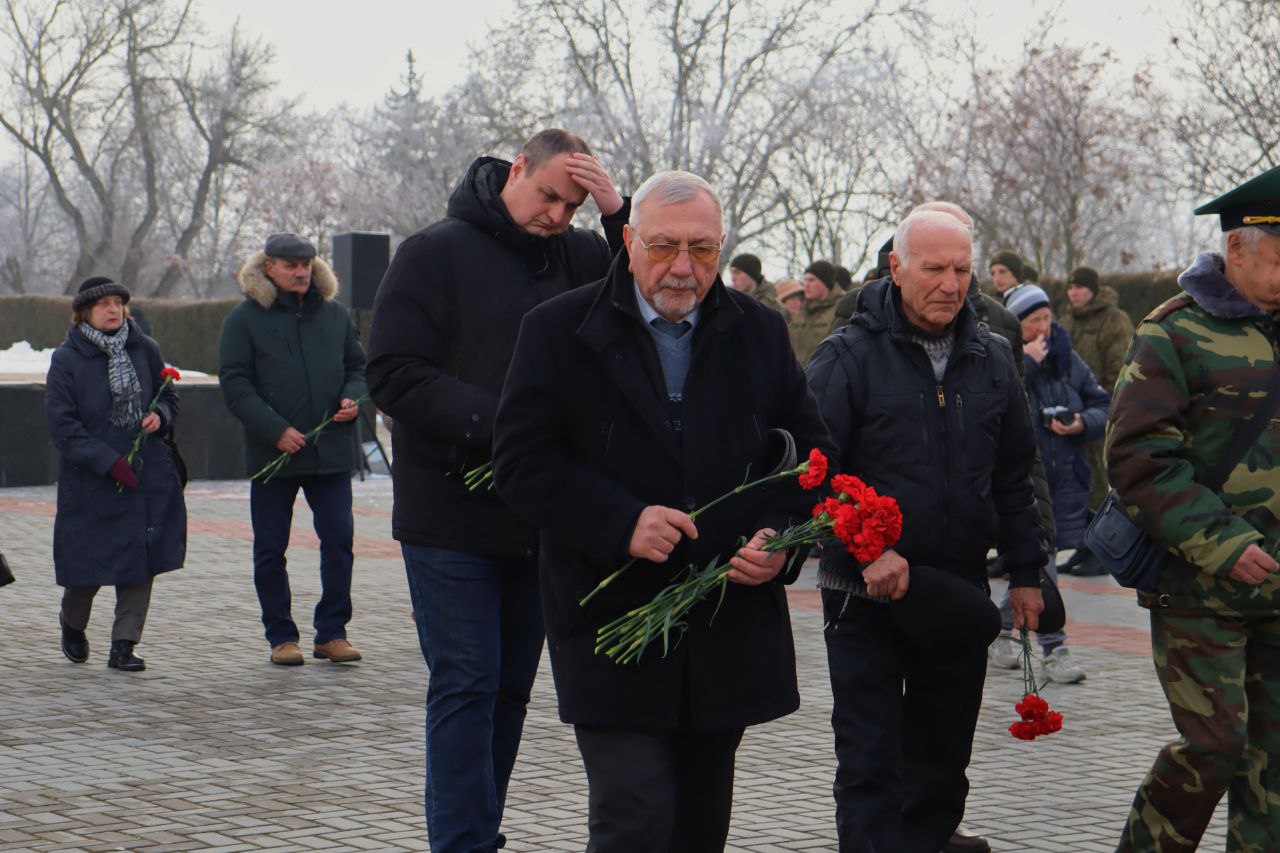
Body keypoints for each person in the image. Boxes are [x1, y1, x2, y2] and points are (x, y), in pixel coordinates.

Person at [491, 170, 832, 852]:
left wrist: (779, 541)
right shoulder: (558, 331)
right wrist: (620, 521)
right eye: (665, 246)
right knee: (634, 821)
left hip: (723, 621)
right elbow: (522, 466)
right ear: (628, 240)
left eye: (703, 249)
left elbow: (811, 460)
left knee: (700, 826)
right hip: (611, 614)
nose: (684, 267)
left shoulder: (761, 333)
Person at [365, 128, 626, 853]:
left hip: (538, 513)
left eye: (572, 205)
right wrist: (501, 424)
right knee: (467, 681)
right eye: (549, 195)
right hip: (448, 510)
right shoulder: (433, 253)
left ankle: (481, 828)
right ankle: (462, 842)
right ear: (517, 167)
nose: (556, 215)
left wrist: (615, 212)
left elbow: (649, 298)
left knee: (510, 688)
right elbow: (392, 372)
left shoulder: (581, 254)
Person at [807, 210, 1046, 853]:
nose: (951, 284)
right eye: (934, 268)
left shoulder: (993, 357)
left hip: (954, 588)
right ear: (896, 266)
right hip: (865, 591)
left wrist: (1027, 573)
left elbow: (1015, 475)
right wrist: (869, 549)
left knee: (943, 751)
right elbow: (813, 474)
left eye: (962, 270)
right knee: (871, 755)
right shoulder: (845, 357)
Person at [1110, 164, 1280, 852]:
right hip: (1200, 586)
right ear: (1237, 250)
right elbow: (1137, 459)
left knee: (1275, 765)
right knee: (1214, 746)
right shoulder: (1173, 333)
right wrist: (1223, 543)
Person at [218, 233, 368, 667]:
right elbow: (235, 384)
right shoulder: (244, 319)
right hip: (274, 456)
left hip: (331, 453)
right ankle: (281, 636)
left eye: (306, 263)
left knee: (339, 540)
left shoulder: (335, 314)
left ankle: (332, 633)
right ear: (269, 268)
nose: (301, 271)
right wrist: (276, 430)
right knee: (270, 548)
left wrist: (352, 400)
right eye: (290, 265)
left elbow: (358, 367)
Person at [45, 276, 187, 672]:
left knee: (140, 563)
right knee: (86, 568)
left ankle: (124, 644)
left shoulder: (145, 349)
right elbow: (63, 426)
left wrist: (160, 416)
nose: (113, 310)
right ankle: (72, 624)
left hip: (144, 476)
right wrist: (107, 461)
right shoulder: (66, 360)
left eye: (118, 302)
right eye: (103, 304)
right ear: (84, 313)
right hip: (91, 479)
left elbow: (168, 396)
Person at [987, 284, 1110, 684]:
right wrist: (1029, 364)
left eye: (1046, 318)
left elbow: (1103, 405)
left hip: (1067, 481)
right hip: (1025, 484)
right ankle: (1055, 648)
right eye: (1032, 320)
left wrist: (1080, 423)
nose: (1042, 327)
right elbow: (999, 408)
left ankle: (999, 631)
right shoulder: (1002, 358)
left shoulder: (1068, 359)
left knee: (1037, 565)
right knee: (1042, 562)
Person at [1058, 264, 1136, 518]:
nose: (1073, 293)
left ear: (1092, 289)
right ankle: (1082, 543)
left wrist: (1099, 404)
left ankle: (1104, 546)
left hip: (1103, 413)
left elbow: (1122, 368)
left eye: (1079, 287)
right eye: (1070, 287)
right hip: (1069, 414)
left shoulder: (1114, 319)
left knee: (1102, 483)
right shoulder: (1066, 319)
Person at [790, 259, 843, 364]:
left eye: (812, 280)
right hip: (797, 376)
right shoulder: (799, 311)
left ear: (825, 283)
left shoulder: (839, 311)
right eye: (805, 280)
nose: (806, 284)